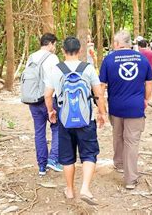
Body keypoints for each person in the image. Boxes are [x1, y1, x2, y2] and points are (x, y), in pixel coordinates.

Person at [44, 37, 107, 205]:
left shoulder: (56, 70)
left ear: (63, 51)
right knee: (89, 154)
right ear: (80, 51)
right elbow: (98, 94)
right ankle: (85, 188)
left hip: (64, 120)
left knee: (67, 156)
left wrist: (51, 112)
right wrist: (102, 113)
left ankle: (70, 190)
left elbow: (48, 95)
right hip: (86, 120)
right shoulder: (88, 68)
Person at [99, 30, 152, 190]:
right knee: (132, 141)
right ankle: (130, 179)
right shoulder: (142, 59)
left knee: (117, 135)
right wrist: (145, 100)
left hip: (116, 107)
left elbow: (101, 87)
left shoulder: (109, 60)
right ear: (130, 43)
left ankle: (119, 164)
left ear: (116, 43)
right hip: (135, 107)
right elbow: (149, 83)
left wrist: (101, 107)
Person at [26, 33, 63, 176]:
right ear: (51, 44)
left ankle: (41, 166)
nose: (55, 47)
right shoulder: (52, 58)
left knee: (39, 132)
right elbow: (58, 79)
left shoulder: (31, 57)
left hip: (33, 99)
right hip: (49, 98)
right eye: (55, 45)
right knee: (57, 127)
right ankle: (53, 159)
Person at [138, 39, 152, 108]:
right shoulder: (151, 52)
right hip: (151, 73)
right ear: (147, 45)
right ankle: (149, 101)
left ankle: (142, 102)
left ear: (139, 46)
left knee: (142, 88)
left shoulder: (137, 54)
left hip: (140, 74)